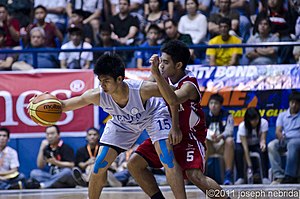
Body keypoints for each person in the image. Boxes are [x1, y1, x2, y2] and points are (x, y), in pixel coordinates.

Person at [36, 53, 187, 199]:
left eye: (106, 80)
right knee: (99, 165)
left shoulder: (141, 89)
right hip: (122, 123)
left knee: (166, 158)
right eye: (100, 80)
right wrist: (43, 103)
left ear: (119, 79)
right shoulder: (97, 94)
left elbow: (174, 96)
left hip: (153, 115)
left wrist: (175, 126)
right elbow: (64, 105)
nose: (102, 85)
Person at [128, 40, 227, 199]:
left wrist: (156, 75)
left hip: (190, 135)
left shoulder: (189, 85)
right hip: (167, 132)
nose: (161, 66)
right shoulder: (163, 75)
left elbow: (173, 100)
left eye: (166, 62)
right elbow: (143, 88)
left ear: (179, 65)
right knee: (134, 163)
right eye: (161, 61)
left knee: (194, 175)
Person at [268, 91, 300, 184]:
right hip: (285, 139)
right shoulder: (282, 115)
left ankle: (290, 176)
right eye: (292, 103)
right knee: (271, 145)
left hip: (297, 140)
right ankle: (279, 175)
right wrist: (279, 135)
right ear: (289, 103)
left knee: (292, 144)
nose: (294, 105)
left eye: (296, 103)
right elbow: (278, 129)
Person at [205, 93, 235, 185]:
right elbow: (200, 130)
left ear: (221, 105)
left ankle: (228, 174)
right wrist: (209, 135)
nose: (213, 106)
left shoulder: (227, 115)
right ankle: (200, 174)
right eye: (211, 103)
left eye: (216, 103)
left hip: (221, 144)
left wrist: (221, 136)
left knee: (230, 141)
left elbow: (229, 130)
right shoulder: (204, 115)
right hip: (209, 144)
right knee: (202, 141)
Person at [235, 107, 270, 184]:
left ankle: (265, 177)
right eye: (252, 120)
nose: (255, 122)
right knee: (238, 151)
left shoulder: (264, 123)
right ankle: (240, 177)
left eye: (256, 119)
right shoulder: (242, 127)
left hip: (256, 144)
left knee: (264, 149)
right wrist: (250, 166)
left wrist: (263, 144)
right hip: (243, 145)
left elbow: (263, 139)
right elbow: (245, 148)